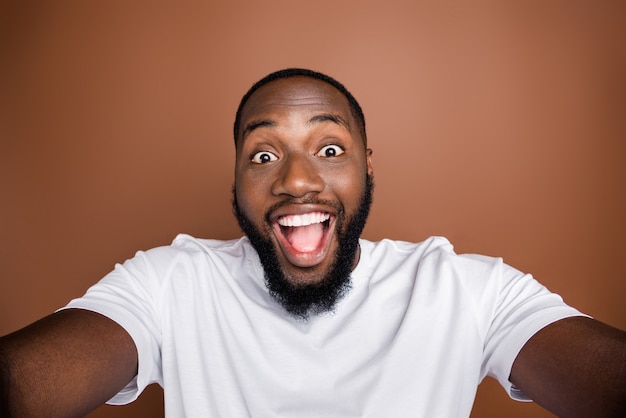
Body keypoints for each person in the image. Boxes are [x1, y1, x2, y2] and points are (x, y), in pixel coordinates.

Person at [1, 68, 625, 418]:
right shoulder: (169, 283)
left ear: (368, 167)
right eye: (264, 154)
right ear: (238, 180)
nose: (296, 180)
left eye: (330, 150)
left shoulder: (469, 290)